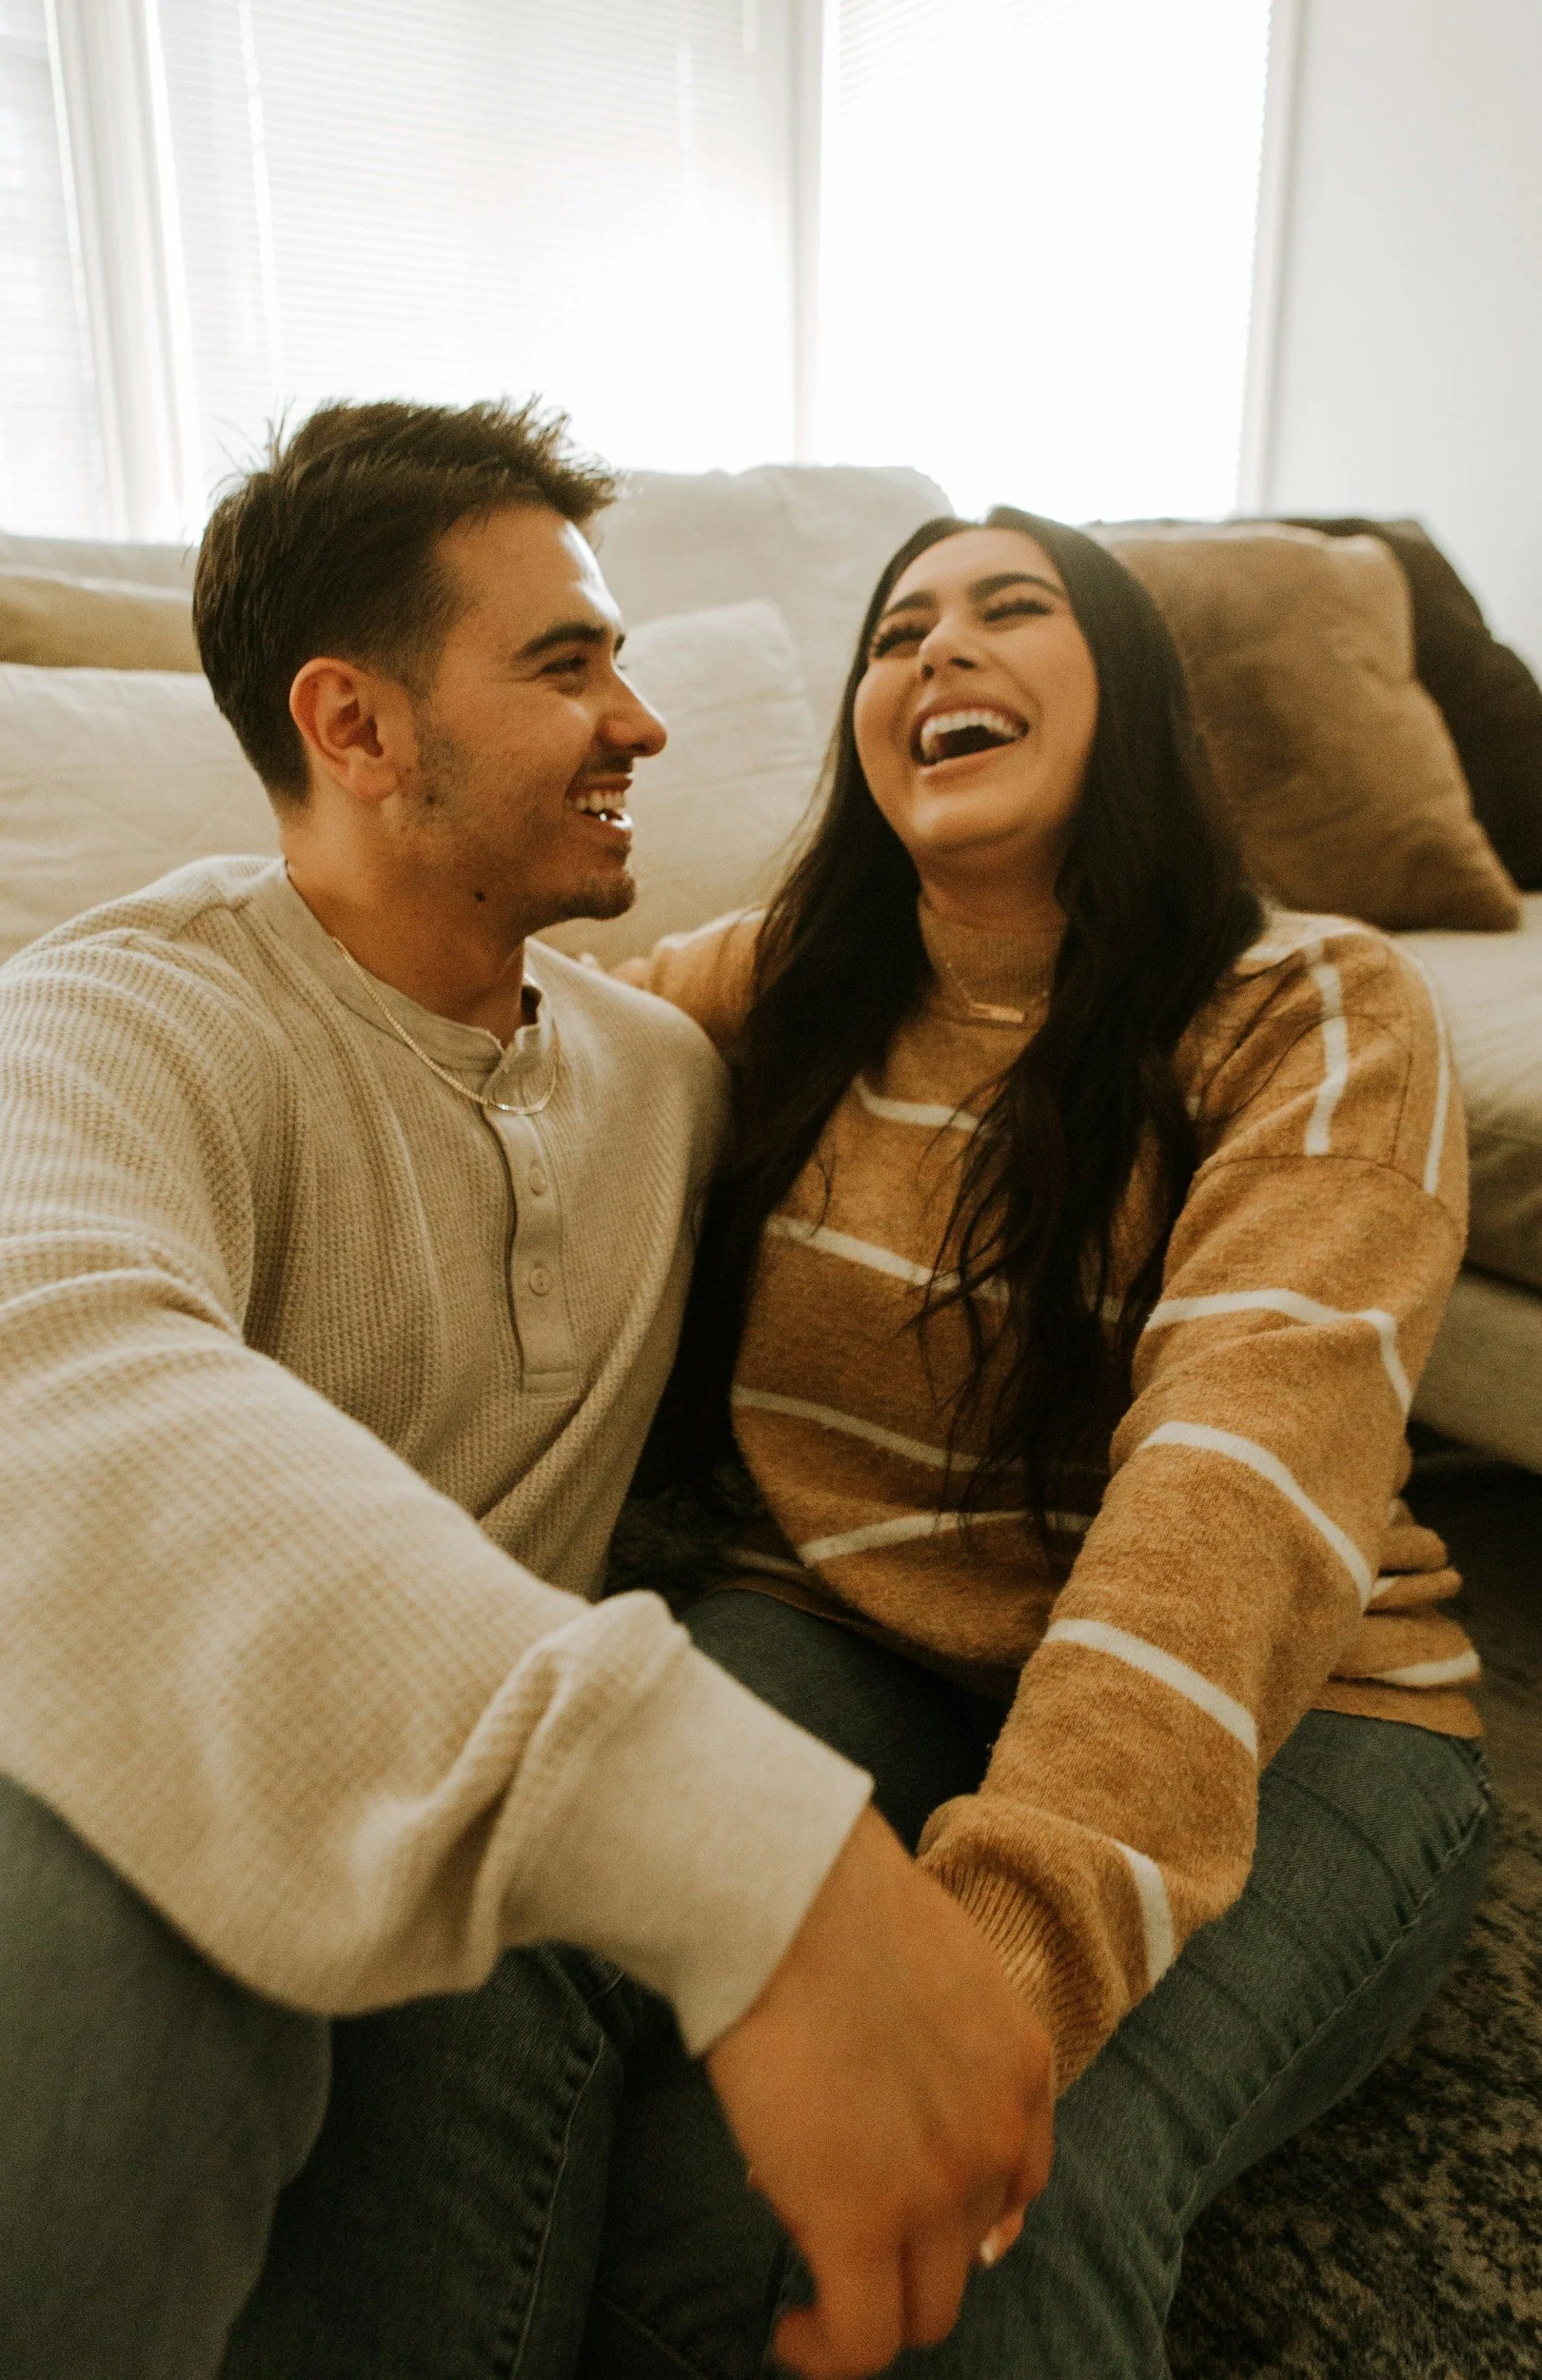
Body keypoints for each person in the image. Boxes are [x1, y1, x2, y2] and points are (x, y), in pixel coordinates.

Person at [0, 407, 1053, 2380]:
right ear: (360, 725)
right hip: (70, 1718)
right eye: (568, 664)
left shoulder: (663, 1076)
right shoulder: (113, 1014)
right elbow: (54, 1365)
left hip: (448, 1839)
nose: (642, 722)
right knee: (104, 1884)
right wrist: (743, 1841)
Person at [613, 507, 1494, 2373]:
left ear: (1134, 694)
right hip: (849, 1626)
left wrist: (990, 1958)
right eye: (899, 627)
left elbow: (1237, 1476)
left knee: (1003, 2197)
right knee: (689, 2175)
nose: (942, 649)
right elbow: (498, 1062)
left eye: (1012, 609)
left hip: (1297, 1710)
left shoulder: (1311, 1002)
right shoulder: (783, 979)